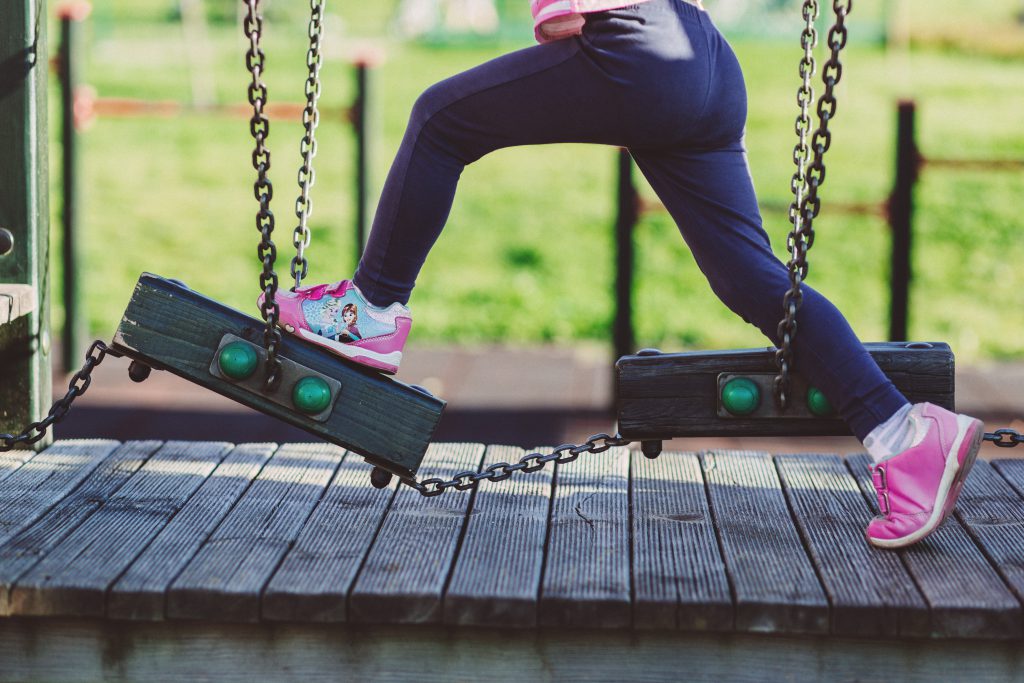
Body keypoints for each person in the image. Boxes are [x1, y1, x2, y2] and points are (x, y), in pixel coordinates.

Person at [260, 0, 983, 548]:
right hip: (701, 55)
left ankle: (373, 309)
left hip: (632, 48)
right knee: (752, 280)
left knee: (440, 119)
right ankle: (906, 435)